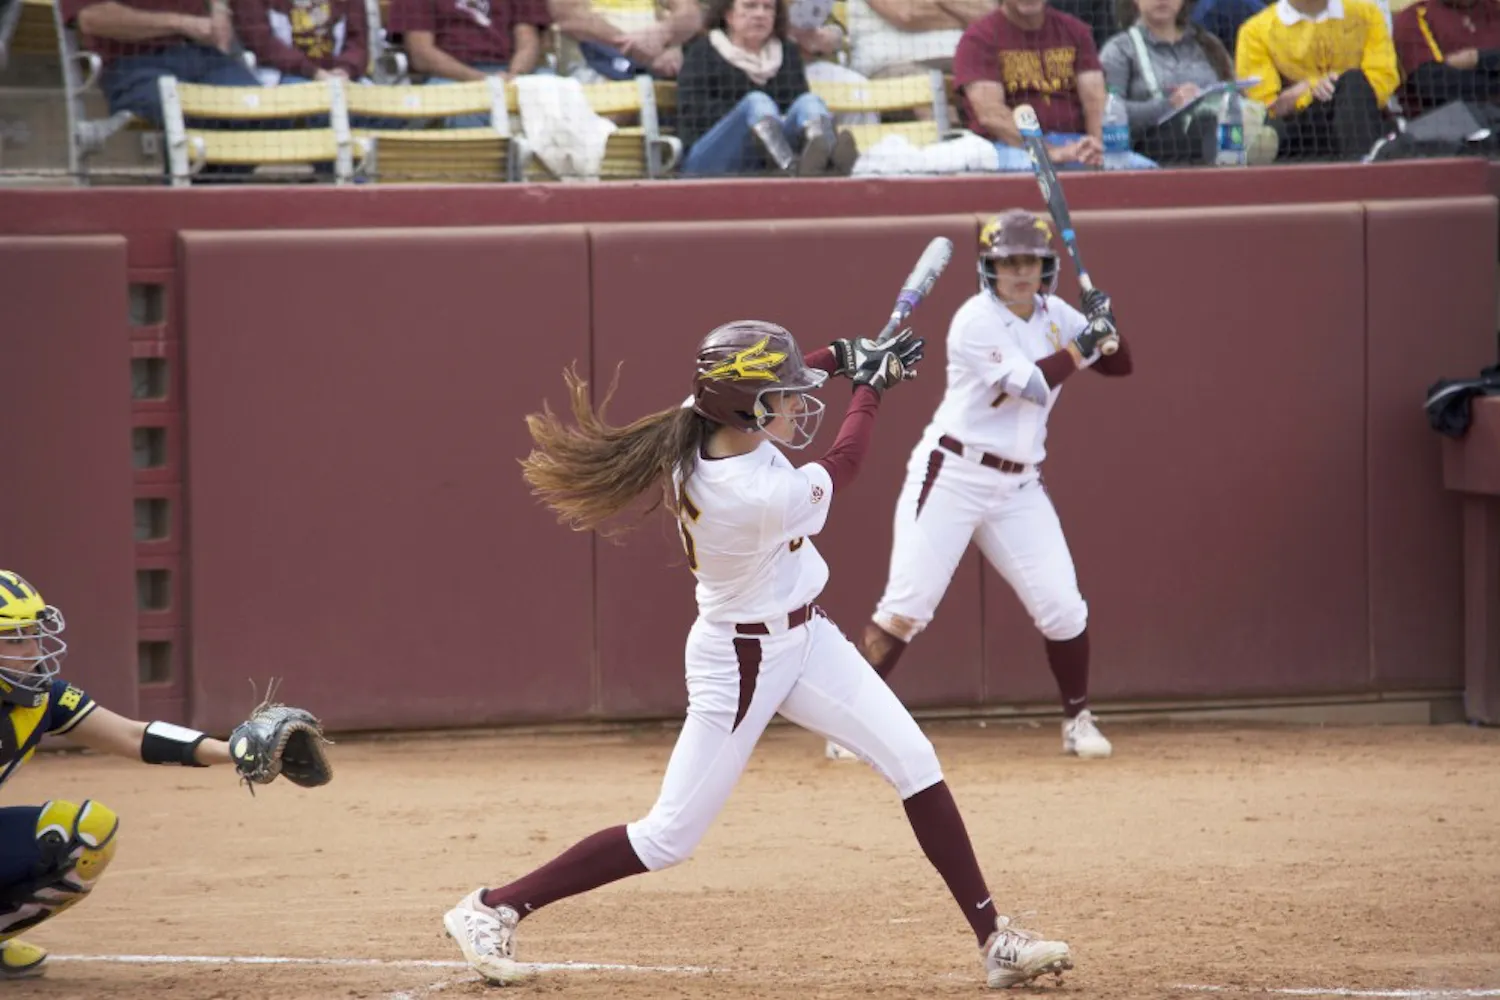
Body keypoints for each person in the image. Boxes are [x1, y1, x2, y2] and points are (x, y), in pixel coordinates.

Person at [441, 320, 1076, 991]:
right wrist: (870, 390)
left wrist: (840, 356)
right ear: (746, 409)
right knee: (667, 838)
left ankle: (994, 941)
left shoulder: (705, 421)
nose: (798, 404)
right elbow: (846, 464)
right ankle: (494, 907)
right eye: (785, 396)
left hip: (807, 638)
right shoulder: (749, 494)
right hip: (742, 660)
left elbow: (759, 379)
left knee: (914, 760)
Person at [823, 210, 1132, 764]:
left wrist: (1108, 325)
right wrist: (1089, 344)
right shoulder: (975, 320)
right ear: (989, 268)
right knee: (906, 608)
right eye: (1007, 262)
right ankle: (847, 721)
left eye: (1029, 262)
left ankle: (1077, 720)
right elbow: (1033, 385)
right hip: (953, 474)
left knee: (1064, 608)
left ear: (1046, 267)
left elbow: (1121, 368)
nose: (1019, 272)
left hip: (1018, 487)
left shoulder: (1056, 314)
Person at [0, 569, 331, 980]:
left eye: (33, 634)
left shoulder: (41, 697)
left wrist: (235, 750)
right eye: (15, 638)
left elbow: (132, 735)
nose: (33, 650)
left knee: (86, 833)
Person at [676, 0, 858, 175]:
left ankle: (828, 160)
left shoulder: (787, 52)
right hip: (708, 159)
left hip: (767, 151)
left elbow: (794, 108)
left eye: (768, 7)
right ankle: (788, 169)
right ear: (728, 14)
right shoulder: (702, 51)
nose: (760, 14)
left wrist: (773, 118)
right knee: (756, 102)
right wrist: (748, 116)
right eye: (750, 5)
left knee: (809, 102)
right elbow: (693, 114)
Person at [1099, 0, 1238, 162]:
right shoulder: (1119, 49)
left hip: (1218, 130)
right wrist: (1169, 105)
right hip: (1153, 145)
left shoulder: (1208, 44)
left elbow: (1234, 94)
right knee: (1207, 127)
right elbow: (1107, 111)